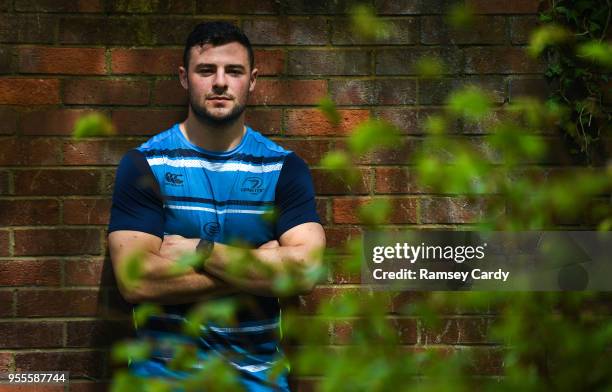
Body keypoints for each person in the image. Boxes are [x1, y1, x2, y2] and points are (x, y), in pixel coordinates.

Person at [107, 21, 326, 391]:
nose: (220, 82)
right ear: (184, 77)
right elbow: (135, 280)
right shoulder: (146, 165)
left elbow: (305, 272)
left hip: (258, 380)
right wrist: (257, 269)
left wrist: (200, 250)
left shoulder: (283, 168)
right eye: (206, 70)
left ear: (252, 80)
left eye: (234, 71)